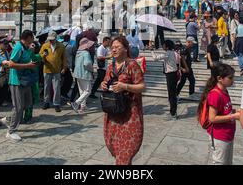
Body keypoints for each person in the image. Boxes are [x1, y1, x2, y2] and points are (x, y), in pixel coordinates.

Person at [101, 37, 146, 165]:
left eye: (117, 47)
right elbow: (105, 82)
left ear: (126, 49)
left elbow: (142, 86)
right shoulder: (110, 67)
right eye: (112, 47)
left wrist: (125, 86)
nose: (113, 49)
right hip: (113, 113)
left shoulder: (132, 65)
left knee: (125, 153)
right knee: (117, 150)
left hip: (129, 115)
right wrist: (103, 85)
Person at [198, 64, 239, 165]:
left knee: (227, 162)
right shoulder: (215, 94)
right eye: (230, 78)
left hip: (227, 134)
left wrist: (234, 111)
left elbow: (223, 110)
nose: (233, 80)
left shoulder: (224, 90)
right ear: (219, 78)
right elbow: (212, 118)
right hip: (219, 136)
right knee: (220, 162)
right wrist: (233, 116)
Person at [3, 30, 37, 141]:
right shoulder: (18, 47)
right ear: (28, 37)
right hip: (16, 81)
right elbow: (11, 64)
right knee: (18, 106)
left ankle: (8, 119)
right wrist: (27, 65)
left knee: (28, 103)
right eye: (32, 37)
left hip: (25, 80)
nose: (33, 39)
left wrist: (31, 52)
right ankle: (11, 131)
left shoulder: (26, 47)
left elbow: (27, 59)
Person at [151, 40, 182, 119]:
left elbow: (155, 58)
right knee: (172, 94)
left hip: (171, 75)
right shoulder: (173, 53)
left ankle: (173, 113)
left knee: (171, 95)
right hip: (173, 74)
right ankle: (173, 112)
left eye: (164, 45)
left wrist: (151, 50)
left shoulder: (168, 54)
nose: (162, 46)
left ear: (167, 46)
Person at [40, 31, 67, 112]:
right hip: (47, 69)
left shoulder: (61, 46)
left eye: (52, 39)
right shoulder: (45, 45)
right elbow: (39, 55)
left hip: (57, 69)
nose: (51, 41)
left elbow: (64, 58)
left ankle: (56, 103)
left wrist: (64, 67)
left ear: (56, 38)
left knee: (56, 87)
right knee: (46, 87)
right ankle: (46, 101)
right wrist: (43, 56)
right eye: (50, 39)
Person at [71, 38, 95, 114]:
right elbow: (87, 64)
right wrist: (92, 69)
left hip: (77, 73)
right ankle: (76, 103)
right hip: (85, 74)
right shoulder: (86, 53)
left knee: (82, 91)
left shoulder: (78, 52)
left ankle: (82, 107)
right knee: (88, 91)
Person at [60, 34, 74, 101]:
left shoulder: (60, 45)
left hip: (60, 65)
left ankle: (61, 92)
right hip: (66, 65)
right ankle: (63, 92)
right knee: (69, 79)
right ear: (69, 39)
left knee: (62, 80)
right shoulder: (69, 47)